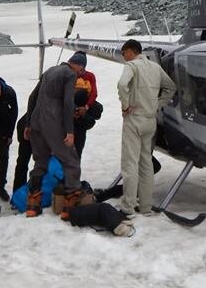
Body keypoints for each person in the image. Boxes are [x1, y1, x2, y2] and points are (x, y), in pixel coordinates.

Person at [116, 39, 176, 216]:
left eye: (124, 53)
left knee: (130, 164)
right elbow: (170, 88)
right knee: (146, 163)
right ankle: (146, 207)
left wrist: (125, 106)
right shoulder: (155, 68)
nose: (123, 56)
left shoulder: (132, 66)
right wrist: (157, 104)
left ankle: (128, 207)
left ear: (130, 51)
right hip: (150, 120)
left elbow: (121, 85)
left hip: (134, 119)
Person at [25, 56, 86, 219]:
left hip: (36, 122)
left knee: (40, 162)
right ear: (78, 66)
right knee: (70, 161)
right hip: (53, 124)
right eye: (81, 71)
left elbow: (32, 97)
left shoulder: (49, 71)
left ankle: (32, 205)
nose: (80, 74)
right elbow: (67, 103)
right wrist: (70, 131)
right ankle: (69, 206)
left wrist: (28, 123)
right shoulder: (69, 74)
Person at [69, 52, 103, 159]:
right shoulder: (68, 75)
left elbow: (94, 93)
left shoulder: (89, 76)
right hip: (71, 112)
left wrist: (87, 107)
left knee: (79, 146)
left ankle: (75, 173)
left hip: (83, 111)